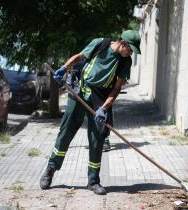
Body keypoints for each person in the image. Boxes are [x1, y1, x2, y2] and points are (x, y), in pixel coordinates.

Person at [40, 30, 141, 195]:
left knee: (97, 139)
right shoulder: (100, 44)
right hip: (80, 90)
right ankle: (51, 169)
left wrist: (104, 108)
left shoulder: (125, 62)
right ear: (123, 42)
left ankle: (93, 181)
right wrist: (64, 68)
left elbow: (116, 88)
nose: (130, 53)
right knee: (65, 132)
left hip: (100, 98)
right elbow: (79, 56)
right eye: (130, 49)